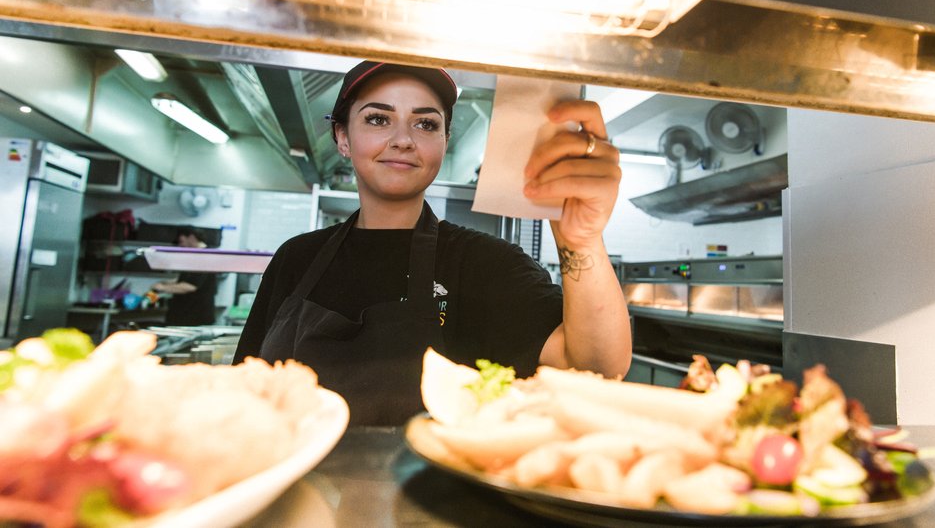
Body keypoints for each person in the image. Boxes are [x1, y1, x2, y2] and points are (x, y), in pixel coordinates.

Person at [234, 61, 631, 425]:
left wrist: (582, 241)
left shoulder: (485, 264)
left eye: (425, 124)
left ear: (444, 140)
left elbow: (594, 368)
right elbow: (243, 394)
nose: (403, 139)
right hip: (294, 491)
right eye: (377, 118)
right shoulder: (296, 258)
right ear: (342, 137)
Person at [152, 226, 219, 326]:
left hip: (194, 318)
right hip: (186, 316)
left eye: (181, 241)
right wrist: (168, 283)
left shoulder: (204, 257)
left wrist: (162, 287)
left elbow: (190, 286)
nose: (180, 245)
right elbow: (186, 279)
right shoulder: (195, 256)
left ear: (191, 237)